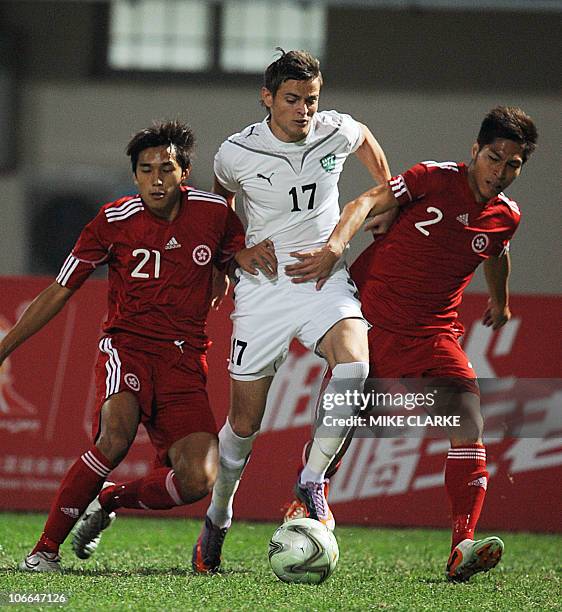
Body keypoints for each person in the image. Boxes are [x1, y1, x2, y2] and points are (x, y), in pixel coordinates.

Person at [283, 106, 538, 582]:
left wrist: (500, 304)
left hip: (434, 335)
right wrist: (337, 245)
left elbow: (498, 255)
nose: (500, 172)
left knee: (468, 419)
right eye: (494, 158)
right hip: (369, 324)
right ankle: (304, 508)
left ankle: (462, 543)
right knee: (338, 434)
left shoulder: (507, 216)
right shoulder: (431, 179)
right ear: (475, 151)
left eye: (513, 165)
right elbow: (366, 202)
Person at [0, 119, 260, 572]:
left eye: (166, 169)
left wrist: (231, 271)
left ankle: (112, 499)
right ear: (134, 175)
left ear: (185, 173)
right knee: (114, 437)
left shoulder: (214, 214)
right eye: (146, 170)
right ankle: (43, 552)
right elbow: (60, 290)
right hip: (129, 348)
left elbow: (239, 258)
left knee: (199, 479)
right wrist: (4, 347)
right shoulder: (113, 221)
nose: (156, 180)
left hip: (185, 359)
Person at [191, 49, 391, 573]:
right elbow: (221, 204)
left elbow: (364, 137)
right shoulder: (236, 151)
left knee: (356, 364)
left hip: (324, 281)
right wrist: (231, 257)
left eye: (311, 99)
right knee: (243, 423)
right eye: (293, 99)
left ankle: (312, 480)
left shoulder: (334, 131)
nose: (304, 110)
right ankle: (218, 515)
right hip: (262, 291)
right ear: (268, 98)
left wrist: (384, 196)